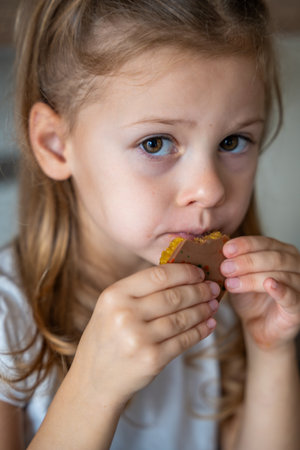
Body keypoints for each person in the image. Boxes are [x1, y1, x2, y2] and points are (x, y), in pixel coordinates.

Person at [0, 0, 299, 448]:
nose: (210, 189)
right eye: (156, 143)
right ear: (56, 145)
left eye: (233, 141)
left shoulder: (231, 306)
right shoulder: (8, 323)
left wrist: (271, 350)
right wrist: (93, 390)